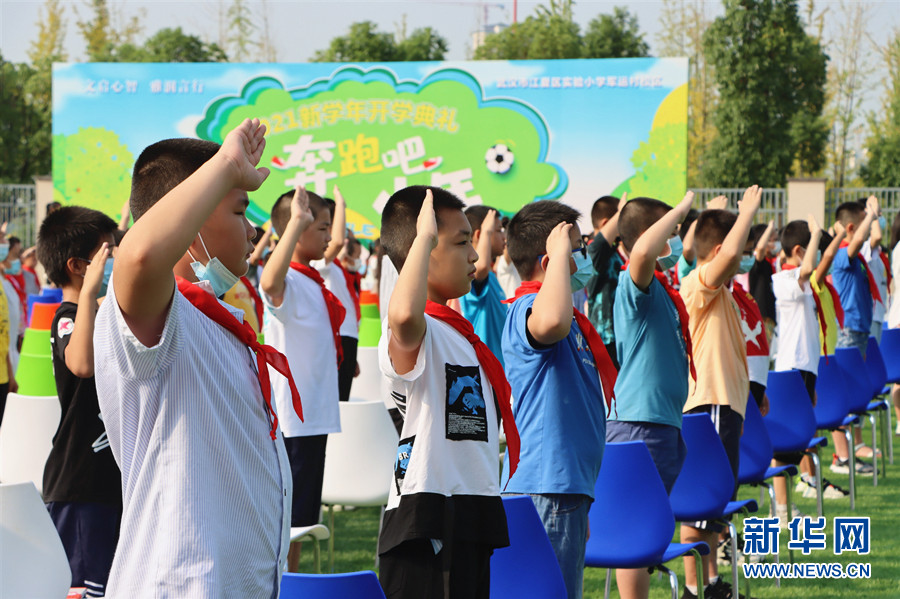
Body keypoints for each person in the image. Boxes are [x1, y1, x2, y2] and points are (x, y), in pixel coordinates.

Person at [93, 119, 299, 597]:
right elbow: (140, 258)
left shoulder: (217, 320)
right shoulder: (162, 320)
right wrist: (225, 166)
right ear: (191, 220)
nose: (252, 231)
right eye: (239, 210)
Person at [377, 186, 515, 599]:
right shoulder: (419, 332)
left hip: (470, 505)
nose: (474, 255)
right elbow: (403, 314)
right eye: (461, 243)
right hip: (430, 514)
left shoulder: (456, 332)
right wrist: (421, 238)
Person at [501, 200, 614, 599]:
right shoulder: (530, 309)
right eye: (577, 249)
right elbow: (549, 323)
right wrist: (562, 253)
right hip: (546, 486)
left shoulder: (566, 315)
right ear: (551, 259)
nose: (583, 258)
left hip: (563, 487)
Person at [606, 192, 695, 599]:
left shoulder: (660, 287)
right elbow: (640, 254)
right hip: (640, 423)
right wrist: (677, 211)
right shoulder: (633, 282)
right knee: (633, 534)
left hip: (660, 423)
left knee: (642, 532)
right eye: (670, 231)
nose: (674, 239)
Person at [678, 185, 761, 599]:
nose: (741, 256)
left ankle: (710, 584)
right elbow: (727, 256)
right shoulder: (698, 285)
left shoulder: (723, 292)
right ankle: (694, 588)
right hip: (708, 404)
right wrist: (747, 212)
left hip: (726, 406)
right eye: (738, 247)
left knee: (716, 501)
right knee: (701, 498)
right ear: (716, 254)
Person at [36, 206, 122, 597]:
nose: (116, 260)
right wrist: (90, 290)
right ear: (78, 265)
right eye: (109, 253)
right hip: (80, 487)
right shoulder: (67, 317)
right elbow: (82, 364)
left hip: (108, 484)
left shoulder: (102, 314)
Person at [260, 186, 343, 572]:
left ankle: (291, 581)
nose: (329, 236)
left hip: (312, 416)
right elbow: (269, 284)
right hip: (295, 419)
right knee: (291, 518)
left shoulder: (312, 279)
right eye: (321, 227)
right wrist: (295, 222)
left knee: (302, 515)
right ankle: (285, 582)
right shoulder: (288, 282)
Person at [772, 217, 849, 511]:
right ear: (800, 250)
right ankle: (781, 507)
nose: (817, 257)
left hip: (805, 368)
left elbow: (819, 263)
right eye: (813, 247)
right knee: (784, 444)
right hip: (791, 369)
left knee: (798, 436)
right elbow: (811, 267)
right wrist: (822, 233)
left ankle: (790, 497)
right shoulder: (784, 279)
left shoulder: (801, 281)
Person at [831, 197, 881, 463]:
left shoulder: (856, 257)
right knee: (845, 391)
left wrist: (872, 215)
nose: (871, 226)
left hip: (858, 330)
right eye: (864, 224)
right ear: (850, 228)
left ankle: (851, 449)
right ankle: (841, 456)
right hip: (848, 331)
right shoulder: (842, 253)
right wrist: (871, 214)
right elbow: (859, 242)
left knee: (853, 390)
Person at [311, 190, 361, 403]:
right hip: (338, 336)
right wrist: (341, 204)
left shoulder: (337, 267)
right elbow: (338, 242)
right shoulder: (321, 263)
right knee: (336, 402)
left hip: (348, 338)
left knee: (343, 401)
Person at [459, 205, 508, 366]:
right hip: (485, 370)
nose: (504, 237)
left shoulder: (491, 278)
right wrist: (487, 232)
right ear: (480, 234)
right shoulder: (470, 274)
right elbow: (480, 268)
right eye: (499, 230)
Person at [586, 195, 625, 367]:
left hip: (620, 336)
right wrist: (621, 211)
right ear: (606, 223)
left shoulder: (613, 252)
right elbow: (600, 243)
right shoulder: (594, 252)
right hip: (605, 338)